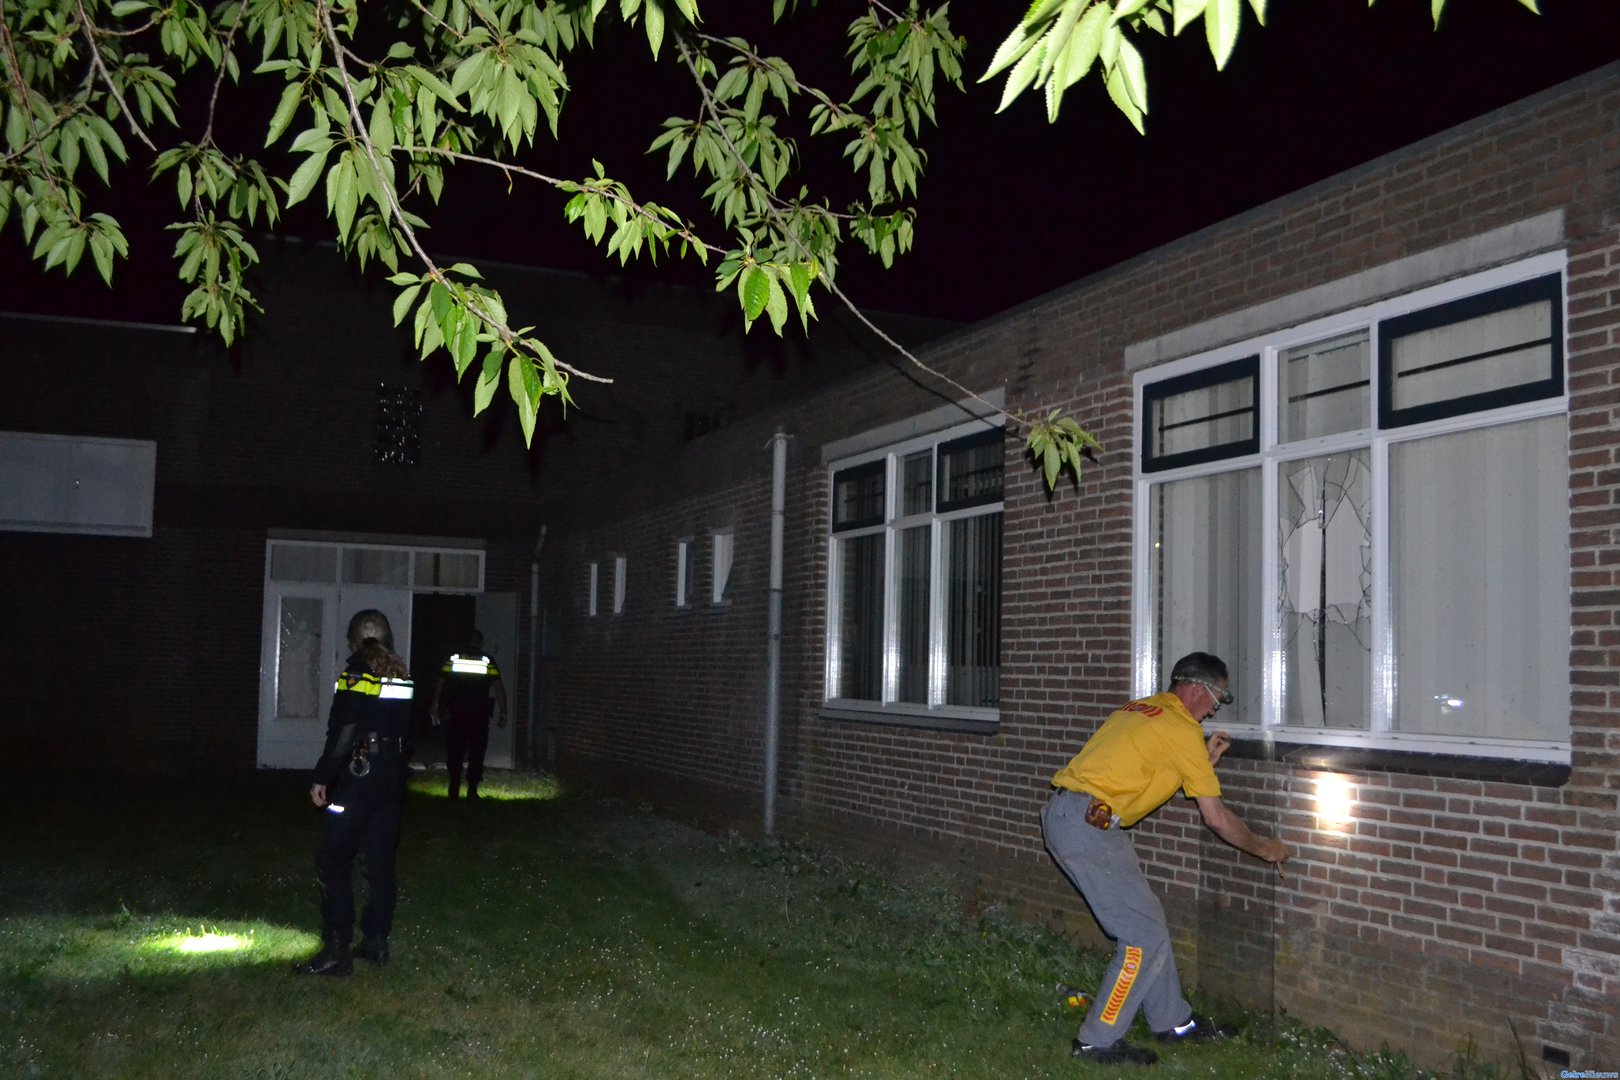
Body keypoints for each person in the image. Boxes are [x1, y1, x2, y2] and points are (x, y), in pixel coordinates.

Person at [1043, 652, 1291, 1067]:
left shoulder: (1143, 710)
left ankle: (1173, 1021)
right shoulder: (1179, 728)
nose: (1215, 708)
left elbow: (1151, 768)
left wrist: (1203, 760)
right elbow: (1216, 817)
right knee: (1140, 935)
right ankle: (1096, 1042)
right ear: (1198, 689)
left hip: (1079, 817)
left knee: (1149, 923)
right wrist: (1265, 848)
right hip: (1089, 826)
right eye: (1218, 698)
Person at [296, 609, 414, 976]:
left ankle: (336, 948)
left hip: (358, 777)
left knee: (333, 857)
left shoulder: (354, 676)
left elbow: (343, 733)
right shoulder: (401, 675)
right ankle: (376, 942)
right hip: (391, 777)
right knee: (379, 862)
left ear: (352, 640)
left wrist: (322, 778)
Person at [429, 630, 507, 800]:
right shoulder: (487, 661)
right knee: (477, 751)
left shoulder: (454, 659)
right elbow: (498, 687)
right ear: (481, 643)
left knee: (455, 749)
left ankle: (454, 785)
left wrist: (434, 704)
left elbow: (440, 682)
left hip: (456, 712)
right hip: (479, 714)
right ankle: (472, 789)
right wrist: (503, 711)